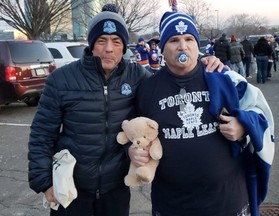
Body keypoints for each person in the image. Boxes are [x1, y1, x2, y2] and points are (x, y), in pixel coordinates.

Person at [27, 5, 226, 216]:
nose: (109, 49)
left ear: (124, 47)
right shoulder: (62, 79)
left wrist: (203, 63)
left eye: (116, 41)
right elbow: (42, 134)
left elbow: (171, 78)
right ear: (91, 44)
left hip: (115, 188)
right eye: (102, 40)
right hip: (72, 187)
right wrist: (45, 182)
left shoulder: (137, 76)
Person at [131, 11, 274, 216]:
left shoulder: (224, 77)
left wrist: (244, 125)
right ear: (163, 47)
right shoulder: (147, 89)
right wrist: (133, 152)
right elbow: (137, 135)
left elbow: (262, 113)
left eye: (189, 39)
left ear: (197, 44)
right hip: (173, 204)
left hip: (226, 200)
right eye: (174, 40)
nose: (182, 46)